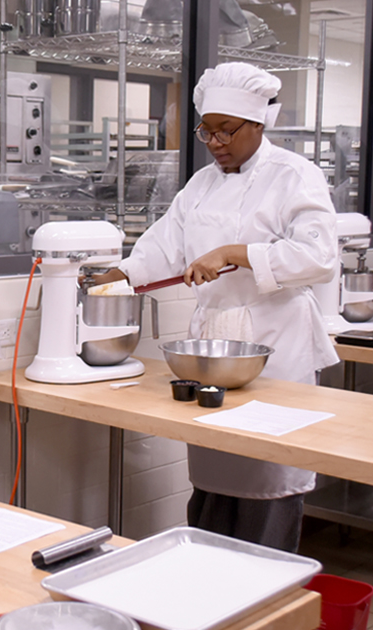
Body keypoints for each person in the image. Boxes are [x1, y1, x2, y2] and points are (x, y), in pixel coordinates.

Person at [93, 62, 338, 552]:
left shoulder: (294, 176)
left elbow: (319, 257)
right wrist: (119, 276)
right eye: (208, 131)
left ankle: (262, 603)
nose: (217, 142)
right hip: (212, 347)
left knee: (268, 478)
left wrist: (238, 253)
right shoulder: (202, 184)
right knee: (212, 476)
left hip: (275, 347)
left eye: (228, 131)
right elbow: (165, 244)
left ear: (258, 124)